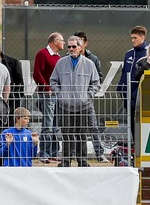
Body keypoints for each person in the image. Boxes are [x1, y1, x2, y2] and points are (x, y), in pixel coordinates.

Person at [51, 32, 100, 166]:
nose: (71, 49)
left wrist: (87, 96)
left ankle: (82, 160)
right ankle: (66, 161)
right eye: (69, 47)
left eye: (74, 46)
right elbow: (53, 80)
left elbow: (96, 83)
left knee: (81, 135)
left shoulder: (89, 64)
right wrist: (60, 95)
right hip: (65, 106)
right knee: (66, 134)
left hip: (83, 106)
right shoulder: (61, 63)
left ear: (80, 47)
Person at [32, 32, 63, 161]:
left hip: (57, 94)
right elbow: (37, 73)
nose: (64, 43)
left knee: (55, 125)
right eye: (62, 40)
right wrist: (47, 88)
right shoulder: (43, 54)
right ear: (55, 42)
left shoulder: (58, 56)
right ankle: (44, 153)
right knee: (48, 125)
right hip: (48, 95)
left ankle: (54, 153)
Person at [119, 26, 149, 121]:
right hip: (128, 94)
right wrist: (120, 87)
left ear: (142, 38)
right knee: (131, 123)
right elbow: (124, 72)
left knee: (141, 123)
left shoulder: (148, 53)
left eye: (135, 38)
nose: (132, 40)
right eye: (131, 38)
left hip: (141, 96)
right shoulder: (129, 53)